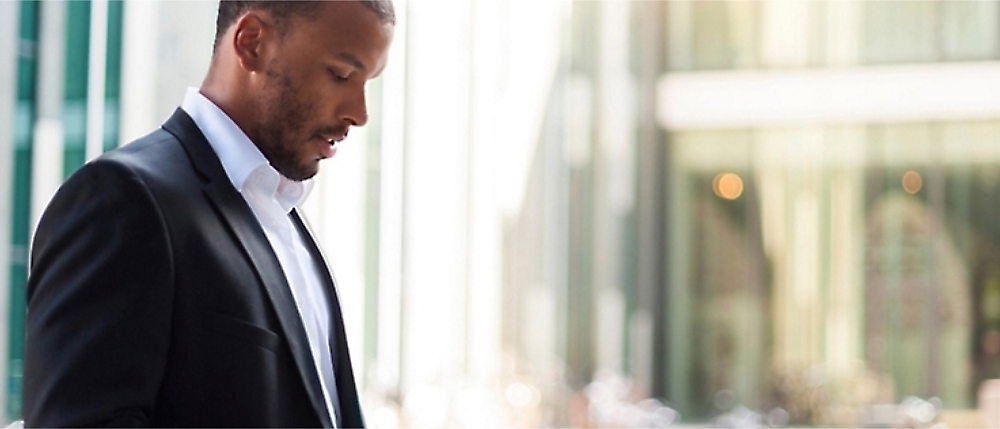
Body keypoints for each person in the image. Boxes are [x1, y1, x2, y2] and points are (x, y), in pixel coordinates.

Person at [22, 0, 394, 426]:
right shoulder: (122, 201)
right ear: (252, 43)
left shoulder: (290, 221)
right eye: (341, 74)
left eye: (368, 82)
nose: (359, 114)